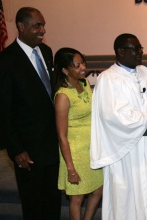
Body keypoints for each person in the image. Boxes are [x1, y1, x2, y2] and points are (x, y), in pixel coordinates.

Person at [89, 33, 147, 220]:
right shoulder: (107, 78)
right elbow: (110, 115)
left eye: (141, 47)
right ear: (120, 51)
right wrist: (146, 119)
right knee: (126, 197)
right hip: (125, 151)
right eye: (135, 48)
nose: (140, 52)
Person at [0, 7, 61, 219]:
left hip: (52, 143)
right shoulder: (5, 61)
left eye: (43, 25)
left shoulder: (47, 52)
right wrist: (16, 148)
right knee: (33, 203)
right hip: (27, 150)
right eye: (37, 26)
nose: (42, 30)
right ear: (21, 27)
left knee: (52, 200)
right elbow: (2, 110)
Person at [54, 48, 103, 220]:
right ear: (65, 70)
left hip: (92, 148)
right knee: (77, 197)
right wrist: (70, 168)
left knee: (98, 190)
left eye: (83, 62)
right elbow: (61, 136)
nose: (83, 67)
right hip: (75, 153)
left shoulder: (84, 84)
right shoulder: (63, 96)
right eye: (77, 65)